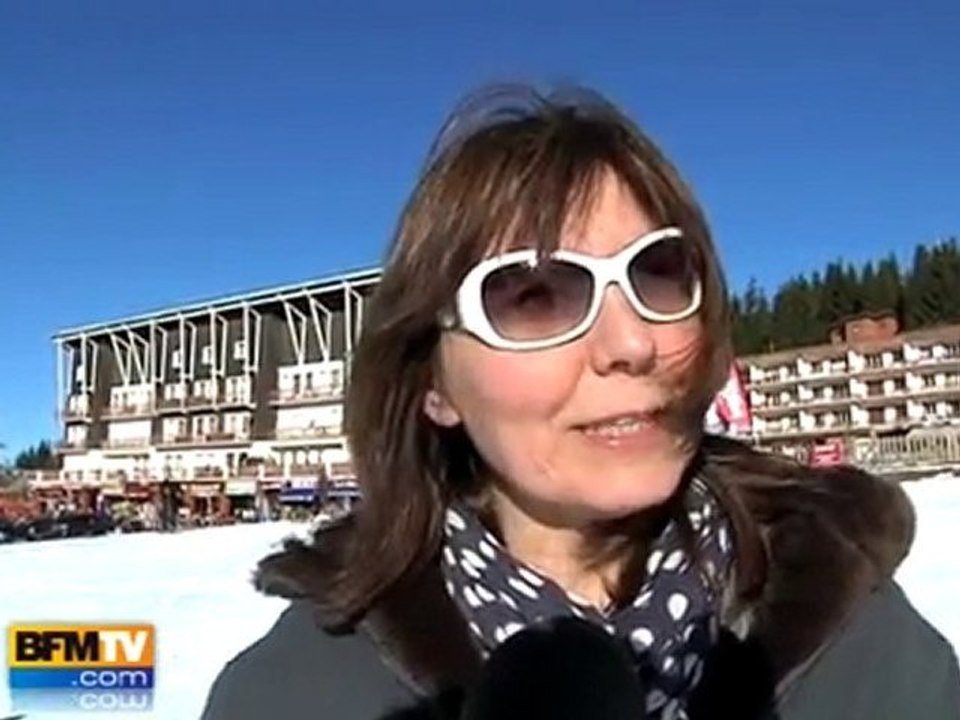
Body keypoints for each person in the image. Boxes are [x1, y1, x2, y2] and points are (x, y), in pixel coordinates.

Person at [201, 84, 960, 719]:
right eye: (535, 296)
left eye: (658, 273)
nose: (632, 342)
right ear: (434, 386)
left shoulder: (857, 631)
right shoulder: (294, 694)